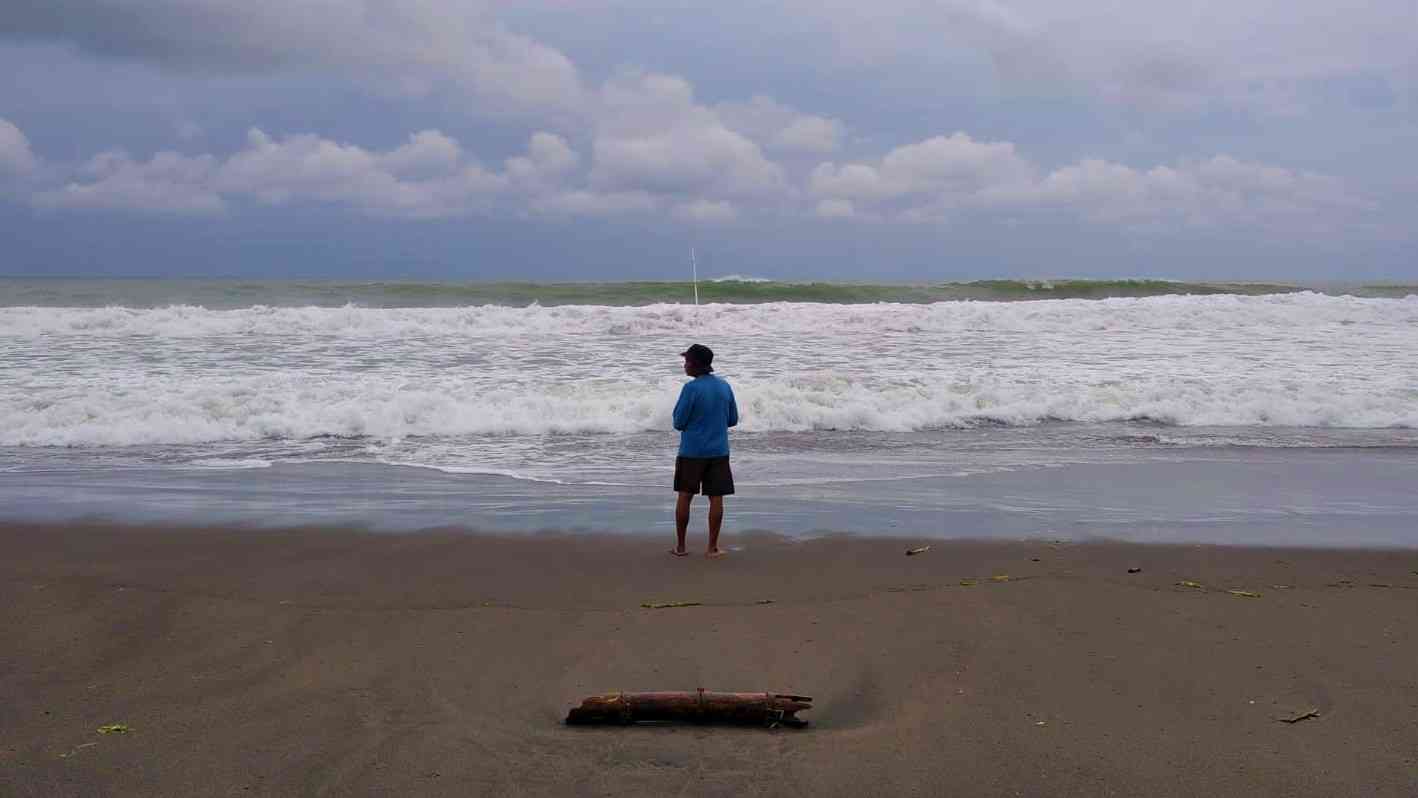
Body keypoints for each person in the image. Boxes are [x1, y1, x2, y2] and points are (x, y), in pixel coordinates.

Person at [670, 343, 739, 558]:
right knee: (716, 498)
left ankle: (681, 547)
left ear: (695, 365)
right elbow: (732, 419)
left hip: (692, 451)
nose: (684, 365)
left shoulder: (690, 389)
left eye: (687, 361)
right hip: (718, 450)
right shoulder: (724, 386)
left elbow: (679, 422)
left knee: (685, 496)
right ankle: (712, 548)